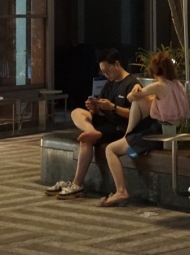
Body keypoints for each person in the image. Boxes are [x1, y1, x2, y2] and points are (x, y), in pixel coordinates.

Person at [44, 48, 140, 199]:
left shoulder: (132, 84)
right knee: (77, 112)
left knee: (86, 140)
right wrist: (94, 108)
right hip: (105, 120)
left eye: (108, 71)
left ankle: (77, 184)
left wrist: (113, 107)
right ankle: (91, 130)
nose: (106, 75)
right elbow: (101, 110)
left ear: (117, 64)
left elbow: (135, 114)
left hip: (119, 127)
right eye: (103, 72)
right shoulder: (109, 83)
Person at [99, 51, 189, 207]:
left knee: (110, 149)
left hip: (159, 132)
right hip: (173, 130)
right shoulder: (177, 85)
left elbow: (130, 97)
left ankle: (121, 190)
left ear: (154, 70)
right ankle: (129, 139)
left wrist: (136, 88)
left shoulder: (159, 85)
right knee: (139, 103)